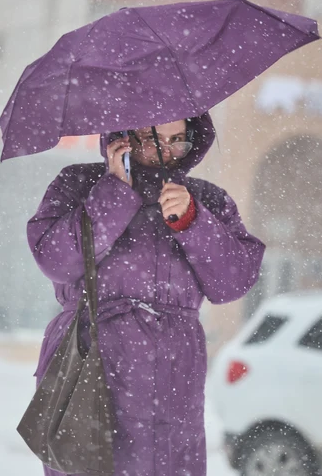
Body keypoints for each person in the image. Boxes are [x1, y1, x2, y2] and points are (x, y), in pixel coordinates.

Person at [27, 112, 265, 476]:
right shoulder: (77, 184)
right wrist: (113, 192)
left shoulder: (205, 199)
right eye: (152, 139)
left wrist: (192, 220)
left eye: (177, 141)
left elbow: (233, 281)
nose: (165, 152)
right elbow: (56, 260)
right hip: (90, 361)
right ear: (124, 136)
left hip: (172, 374)